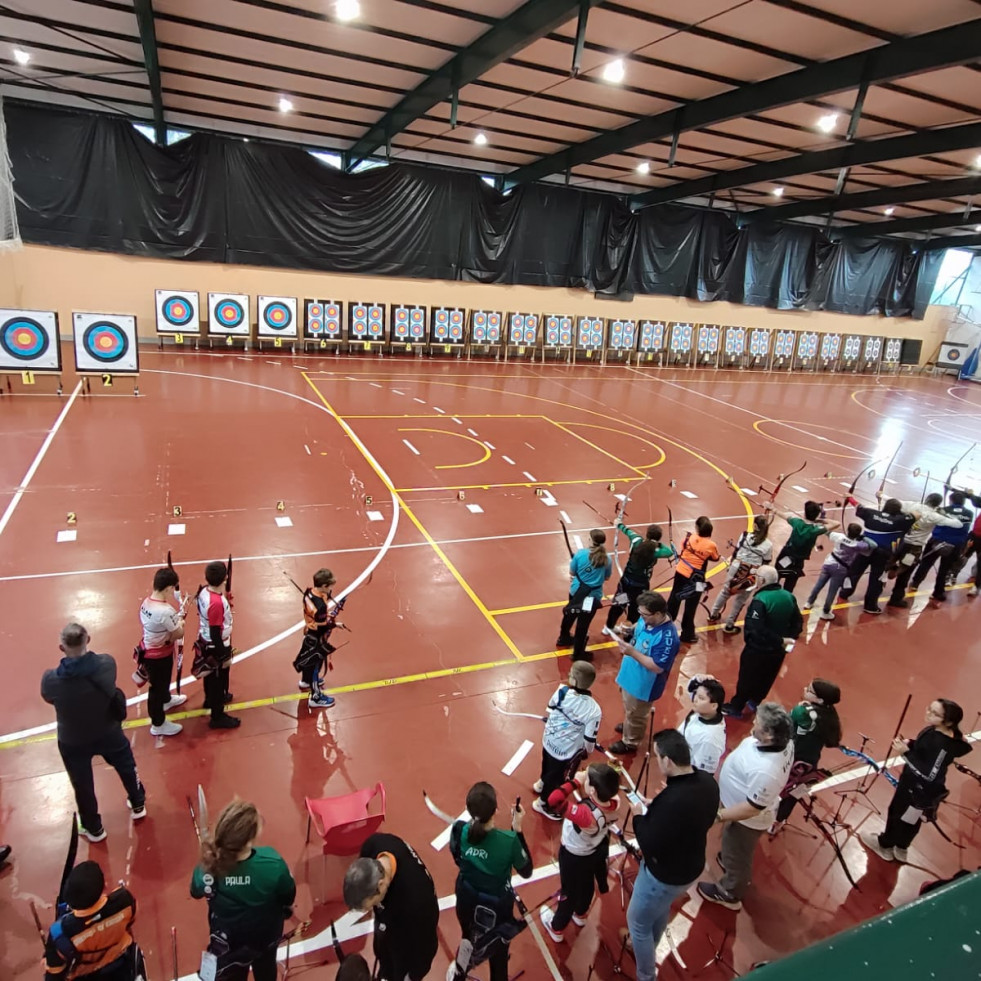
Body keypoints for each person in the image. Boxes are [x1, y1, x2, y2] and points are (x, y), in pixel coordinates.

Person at [625, 730, 719, 981]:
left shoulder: (673, 801)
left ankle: (646, 975)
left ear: (668, 760)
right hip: (691, 867)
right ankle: (650, 945)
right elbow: (703, 817)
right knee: (660, 909)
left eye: (658, 757)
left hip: (664, 874)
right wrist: (655, 807)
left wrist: (638, 815)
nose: (657, 761)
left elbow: (649, 842)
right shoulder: (707, 783)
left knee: (637, 922)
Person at [41, 623, 146, 842]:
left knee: (82, 784)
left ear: (62, 648)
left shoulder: (51, 680)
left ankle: (94, 827)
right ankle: (138, 802)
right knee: (126, 765)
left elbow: (48, 697)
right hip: (108, 731)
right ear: (88, 640)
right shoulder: (107, 664)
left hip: (74, 740)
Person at [698, 703, 794, 911]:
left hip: (746, 819)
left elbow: (752, 808)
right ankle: (729, 858)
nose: (754, 722)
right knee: (732, 847)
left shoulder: (767, 770)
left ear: (769, 735)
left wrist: (719, 815)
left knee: (738, 854)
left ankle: (730, 893)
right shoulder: (784, 743)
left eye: (758, 723)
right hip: (736, 805)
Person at [190, 799, 296, 981]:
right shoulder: (272, 863)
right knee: (266, 970)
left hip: (229, 943)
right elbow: (288, 896)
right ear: (249, 840)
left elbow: (195, 891)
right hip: (266, 937)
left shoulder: (207, 869)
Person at [860, 698, 971, 863]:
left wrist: (905, 753)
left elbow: (929, 774)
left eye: (935, 713)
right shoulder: (936, 731)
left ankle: (885, 845)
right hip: (917, 788)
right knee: (910, 819)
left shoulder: (942, 744)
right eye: (929, 709)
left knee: (899, 814)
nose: (928, 714)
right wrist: (911, 744)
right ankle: (901, 847)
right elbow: (924, 749)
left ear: (948, 722)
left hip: (918, 789)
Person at [449, 783, 533, 981]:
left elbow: (458, 858)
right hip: (497, 906)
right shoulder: (509, 840)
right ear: (496, 810)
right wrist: (518, 829)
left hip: (466, 898)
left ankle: (459, 974)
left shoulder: (460, 830)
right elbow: (526, 870)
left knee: (468, 938)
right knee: (499, 947)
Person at [539, 763, 620, 942]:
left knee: (569, 891)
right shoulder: (615, 802)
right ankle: (581, 913)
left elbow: (554, 800)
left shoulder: (585, 815)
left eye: (588, 779)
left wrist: (575, 782)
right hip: (594, 851)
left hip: (574, 855)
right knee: (586, 883)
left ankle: (557, 927)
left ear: (593, 791)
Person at [344, 832, 439, 981]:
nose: (371, 909)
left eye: (371, 904)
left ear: (380, 885)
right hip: (389, 929)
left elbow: (425, 947)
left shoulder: (418, 900)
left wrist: (413, 976)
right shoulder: (373, 846)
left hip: (407, 943)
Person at [606, 592, 681, 755]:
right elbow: (638, 627)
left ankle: (630, 741)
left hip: (644, 684)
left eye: (644, 615)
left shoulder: (667, 638)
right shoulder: (647, 619)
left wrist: (632, 652)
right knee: (629, 708)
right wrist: (629, 629)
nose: (642, 617)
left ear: (659, 614)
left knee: (637, 713)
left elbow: (657, 667)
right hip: (630, 674)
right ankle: (629, 725)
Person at [722, 567, 802, 718]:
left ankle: (736, 707)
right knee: (768, 676)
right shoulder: (789, 596)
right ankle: (755, 701)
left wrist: (778, 640)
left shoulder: (761, 600)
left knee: (748, 677)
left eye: (757, 576)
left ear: (763, 581)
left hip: (758, 649)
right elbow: (797, 622)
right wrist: (787, 640)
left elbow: (756, 628)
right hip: (778, 651)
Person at [44, 860, 142, 981]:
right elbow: (131, 920)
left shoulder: (60, 934)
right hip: (123, 967)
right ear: (104, 885)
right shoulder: (124, 901)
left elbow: (55, 973)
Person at [532, 660, 602, 820]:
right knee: (556, 778)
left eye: (571, 674)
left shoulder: (561, 691)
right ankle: (543, 803)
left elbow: (550, 709)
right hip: (565, 751)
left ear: (575, 681)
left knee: (547, 764)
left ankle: (542, 782)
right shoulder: (594, 709)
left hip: (548, 740)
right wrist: (587, 752)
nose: (568, 675)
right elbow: (589, 739)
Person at [772, 679, 842, 830]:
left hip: (790, 757)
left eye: (809, 690)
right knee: (794, 793)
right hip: (809, 764)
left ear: (820, 700)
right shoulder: (830, 715)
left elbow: (785, 727)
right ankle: (779, 821)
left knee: (775, 784)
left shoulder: (801, 712)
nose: (804, 689)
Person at [838, 498, 914, 614]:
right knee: (877, 579)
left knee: (854, 572)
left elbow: (857, 505)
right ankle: (870, 606)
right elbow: (917, 515)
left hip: (866, 548)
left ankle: (845, 592)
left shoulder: (871, 514)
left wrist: (849, 497)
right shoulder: (900, 520)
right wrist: (901, 513)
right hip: (883, 554)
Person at [887, 493, 962, 608]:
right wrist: (944, 513)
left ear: (927, 499)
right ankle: (896, 597)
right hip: (914, 548)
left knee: (885, 565)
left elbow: (894, 502)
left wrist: (881, 495)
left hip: (899, 542)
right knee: (905, 574)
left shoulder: (912, 505)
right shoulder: (934, 515)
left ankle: (887, 572)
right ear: (937, 504)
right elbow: (958, 524)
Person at [138, 566, 188, 737]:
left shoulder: (146, 602)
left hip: (151, 650)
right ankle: (158, 723)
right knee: (156, 689)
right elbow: (178, 633)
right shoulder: (165, 611)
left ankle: (166, 700)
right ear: (168, 588)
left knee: (162, 682)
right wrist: (181, 623)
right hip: (158, 655)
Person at [193, 560, 240, 729]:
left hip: (206, 641)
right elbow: (215, 632)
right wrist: (224, 655)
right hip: (216, 644)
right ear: (224, 579)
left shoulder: (204, 592)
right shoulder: (217, 603)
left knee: (210, 676)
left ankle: (210, 700)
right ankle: (217, 716)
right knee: (218, 679)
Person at [708, 516, 773, 634]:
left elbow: (736, 552)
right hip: (752, 573)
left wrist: (731, 566)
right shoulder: (768, 544)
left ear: (755, 526)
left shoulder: (744, 535)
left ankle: (713, 614)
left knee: (725, 592)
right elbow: (766, 561)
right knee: (740, 599)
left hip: (736, 566)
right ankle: (729, 625)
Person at [605, 522, 673, 633]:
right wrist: (656, 543)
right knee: (635, 607)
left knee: (619, 603)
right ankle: (628, 630)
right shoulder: (656, 551)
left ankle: (608, 627)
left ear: (647, 534)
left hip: (626, 582)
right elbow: (669, 552)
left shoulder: (636, 540)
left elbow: (628, 531)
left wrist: (619, 523)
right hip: (640, 586)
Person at [557, 529, 612, 661]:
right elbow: (607, 578)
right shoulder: (607, 558)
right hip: (592, 596)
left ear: (590, 540)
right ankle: (578, 652)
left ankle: (563, 637)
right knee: (583, 623)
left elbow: (572, 572)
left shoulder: (580, 554)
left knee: (570, 614)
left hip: (576, 591)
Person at [909, 490, 974, 602]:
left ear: (950, 500)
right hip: (955, 545)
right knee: (945, 569)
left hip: (937, 542)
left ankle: (915, 583)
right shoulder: (969, 513)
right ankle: (938, 593)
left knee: (926, 563)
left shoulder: (943, 510)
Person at [802, 522, 873, 621]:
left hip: (829, 563)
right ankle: (825, 611)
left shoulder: (838, 536)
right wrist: (863, 537)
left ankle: (809, 602)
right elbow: (873, 545)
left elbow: (826, 531)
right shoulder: (858, 545)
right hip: (841, 569)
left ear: (848, 531)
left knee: (819, 585)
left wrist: (818, 523)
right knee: (832, 591)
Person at [666, 516, 720, 644]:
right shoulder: (711, 545)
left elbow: (683, 549)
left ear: (697, 528)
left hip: (680, 572)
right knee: (691, 605)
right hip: (698, 579)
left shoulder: (689, 538)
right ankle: (687, 634)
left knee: (674, 598)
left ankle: (665, 624)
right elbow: (715, 557)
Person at [293, 568, 340, 709]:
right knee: (315, 665)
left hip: (309, 633)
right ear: (324, 586)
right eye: (330, 586)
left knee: (308, 662)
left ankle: (305, 681)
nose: (332, 588)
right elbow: (322, 626)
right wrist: (334, 624)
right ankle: (315, 697)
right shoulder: (320, 606)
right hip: (315, 637)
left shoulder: (309, 593)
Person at [770, 500, 838, 594]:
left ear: (805, 513)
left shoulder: (797, 523)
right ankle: (785, 600)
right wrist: (821, 520)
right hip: (798, 561)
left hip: (786, 555)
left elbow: (783, 515)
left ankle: (770, 594)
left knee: (776, 575)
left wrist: (772, 508)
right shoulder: (815, 530)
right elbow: (836, 524)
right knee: (790, 584)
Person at [679, 675, 727, 775]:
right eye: (696, 694)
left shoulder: (710, 739)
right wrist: (699, 678)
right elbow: (691, 688)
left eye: (701, 698)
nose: (694, 699)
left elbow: (704, 774)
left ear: (714, 705)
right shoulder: (703, 711)